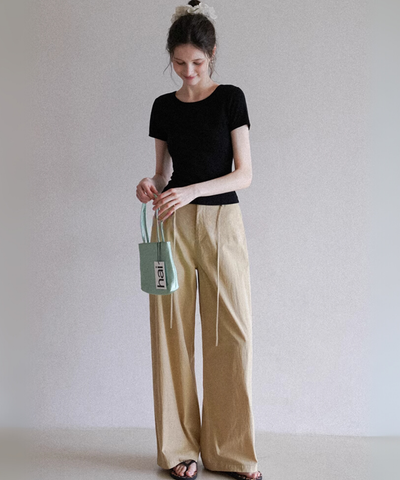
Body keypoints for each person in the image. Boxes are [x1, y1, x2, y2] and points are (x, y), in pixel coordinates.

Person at [136, 2, 262, 480]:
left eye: (197, 63)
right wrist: (150, 184)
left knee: (232, 333)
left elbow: (244, 174)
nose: (188, 72)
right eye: (179, 63)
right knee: (170, 333)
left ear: (212, 55)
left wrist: (192, 190)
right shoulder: (163, 107)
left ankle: (231, 452)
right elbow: (162, 173)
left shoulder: (231, 99)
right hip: (170, 224)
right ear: (170, 57)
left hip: (221, 222)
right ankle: (178, 450)